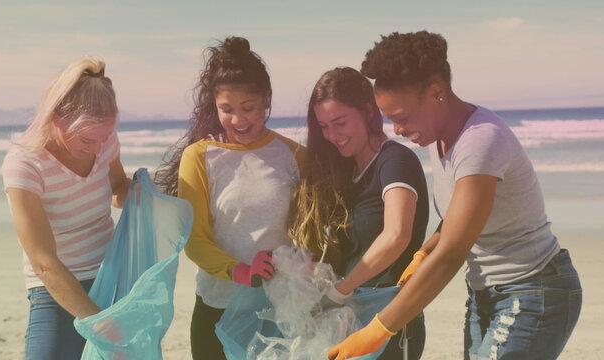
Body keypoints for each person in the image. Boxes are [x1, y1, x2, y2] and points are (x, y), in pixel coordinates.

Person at [328, 31, 582, 360]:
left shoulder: (480, 141)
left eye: (401, 118)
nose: (398, 131)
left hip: (534, 290)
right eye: (391, 120)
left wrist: (378, 330)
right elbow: (457, 216)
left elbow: (452, 254)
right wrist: (424, 251)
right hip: (484, 292)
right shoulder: (440, 137)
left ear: (436, 91)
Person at [153, 36, 304, 360]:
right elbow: (195, 239)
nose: (238, 120)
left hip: (278, 312)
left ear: (266, 99)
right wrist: (241, 271)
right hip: (216, 307)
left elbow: (313, 231)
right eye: (227, 109)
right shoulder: (200, 157)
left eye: (248, 108)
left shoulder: (293, 156)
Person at [288, 67, 428, 359]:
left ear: (368, 111)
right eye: (323, 126)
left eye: (340, 122)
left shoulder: (395, 161)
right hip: (355, 317)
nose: (331, 135)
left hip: (390, 321)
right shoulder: (347, 171)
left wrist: (340, 291)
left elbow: (396, 236)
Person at [2, 56, 130, 360]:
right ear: (56, 117)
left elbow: (118, 190)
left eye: (104, 137)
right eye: (87, 139)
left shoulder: (105, 142)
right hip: (54, 286)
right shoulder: (25, 165)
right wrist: (98, 321)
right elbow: (43, 262)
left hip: (109, 275)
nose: (98, 150)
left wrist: (146, 193)